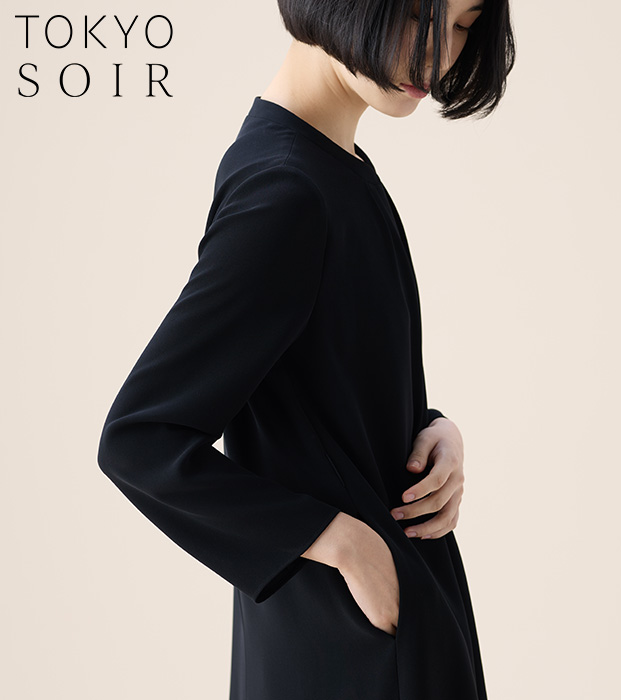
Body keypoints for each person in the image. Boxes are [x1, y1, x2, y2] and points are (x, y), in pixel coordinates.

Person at [97, 1, 515, 698]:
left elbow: (319, 379)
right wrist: (343, 544)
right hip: (349, 646)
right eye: (420, 13)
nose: (440, 54)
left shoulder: (333, 168)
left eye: (463, 24)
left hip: (370, 624)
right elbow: (140, 439)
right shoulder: (288, 190)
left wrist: (430, 428)